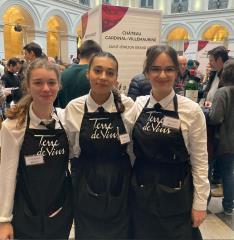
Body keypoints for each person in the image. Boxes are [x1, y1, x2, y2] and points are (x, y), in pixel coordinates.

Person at [131, 45, 209, 239]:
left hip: (177, 196)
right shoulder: (137, 105)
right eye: (156, 69)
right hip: (141, 194)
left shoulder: (191, 111)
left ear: (178, 71)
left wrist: (200, 204)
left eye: (169, 69)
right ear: (147, 72)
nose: (162, 75)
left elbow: (200, 160)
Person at [0, 58, 73, 239]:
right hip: (26, 211)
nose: (46, 89)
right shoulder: (13, 126)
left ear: (59, 86)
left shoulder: (66, 119)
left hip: (61, 209)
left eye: (51, 83)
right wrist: (4, 220)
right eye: (38, 83)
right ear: (28, 86)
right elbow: (6, 174)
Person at [64, 51, 134, 239]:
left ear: (116, 78)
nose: (103, 77)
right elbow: (70, 149)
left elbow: (133, 149)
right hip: (85, 181)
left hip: (120, 180)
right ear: (88, 73)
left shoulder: (128, 106)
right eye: (98, 70)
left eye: (110, 73)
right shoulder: (74, 108)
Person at [207, 58, 234, 215]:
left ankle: (205, 203)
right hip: (232, 142)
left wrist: (207, 111)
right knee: (228, 173)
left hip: (221, 141)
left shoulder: (222, 92)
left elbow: (215, 118)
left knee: (208, 172)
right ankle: (229, 205)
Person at [203, 46, 229, 197]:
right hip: (211, 119)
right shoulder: (214, 75)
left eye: (212, 60)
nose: (210, 64)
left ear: (220, 60)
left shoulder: (227, 78)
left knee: (222, 163)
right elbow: (209, 92)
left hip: (221, 127)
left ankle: (217, 185)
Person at [58, 40, 102, 108]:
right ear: (96, 56)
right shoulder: (97, 76)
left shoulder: (62, 74)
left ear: (79, 55)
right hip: (88, 117)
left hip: (64, 116)